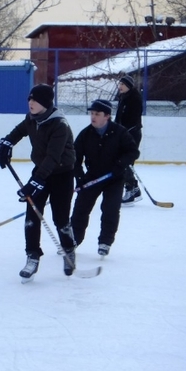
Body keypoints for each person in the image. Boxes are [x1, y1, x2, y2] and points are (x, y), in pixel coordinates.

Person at [0, 83, 76, 281]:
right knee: (32, 216)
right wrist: (5, 144)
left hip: (62, 174)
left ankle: (68, 250)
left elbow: (53, 158)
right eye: (29, 99)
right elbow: (17, 132)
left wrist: (35, 182)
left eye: (35, 100)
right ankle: (33, 256)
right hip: (41, 171)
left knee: (61, 219)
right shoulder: (31, 119)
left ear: (45, 103)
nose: (30, 103)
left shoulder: (59, 125)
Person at [70, 99, 140, 257]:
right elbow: (74, 157)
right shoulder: (86, 134)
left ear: (107, 116)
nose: (93, 117)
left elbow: (133, 152)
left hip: (114, 178)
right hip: (92, 177)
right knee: (80, 209)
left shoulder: (120, 132)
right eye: (92, 113)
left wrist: (120, 164)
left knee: (110, 209)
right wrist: (79, 177)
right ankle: (73, 239)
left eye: (97, 114)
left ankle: (105, 242)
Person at [114, 74, 143, 205]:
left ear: (129, 86)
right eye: (119, 84)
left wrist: (124, 133)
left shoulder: (135, 99)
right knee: (122, 161)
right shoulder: (123, 97)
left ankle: (132, 188)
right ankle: (133, 188)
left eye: (122, 84)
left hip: (131, 135)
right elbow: (119, 118)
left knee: (125, 161)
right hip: (123, 134)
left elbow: (133, 120)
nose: (120, 86)